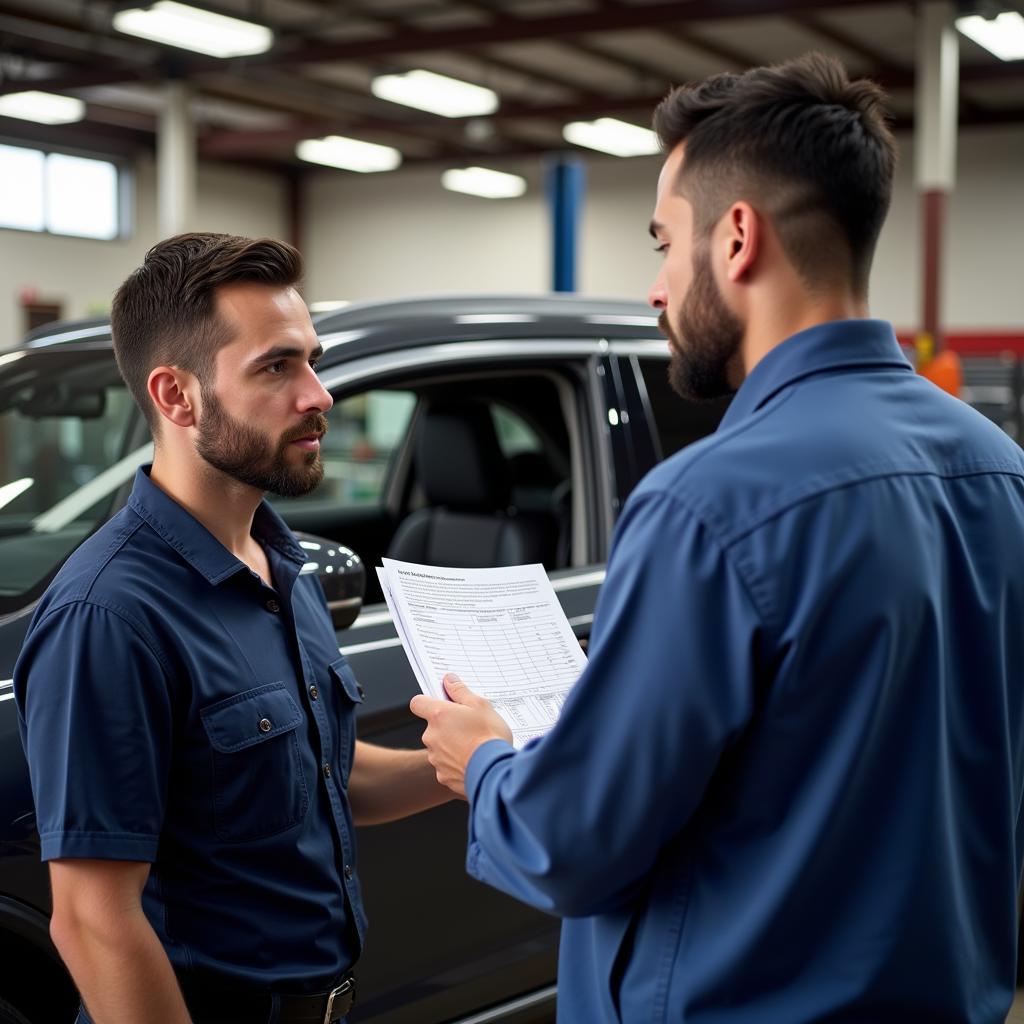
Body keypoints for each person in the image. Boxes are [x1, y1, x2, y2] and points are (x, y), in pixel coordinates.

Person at [411, 52, 1024, 1023]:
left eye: (662, 242)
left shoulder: (706, 504)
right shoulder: (1000, 471)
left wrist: (481, 760)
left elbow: (571, 841)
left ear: (736, 238)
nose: (655, 287)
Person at [15, 233, 453, 1024]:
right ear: (177, 397)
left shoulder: (280, 565)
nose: (319, 395)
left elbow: (330, 779)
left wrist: (495, 750)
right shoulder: (110, 616)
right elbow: (92, 920)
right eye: (277, 366)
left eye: (311, 360)